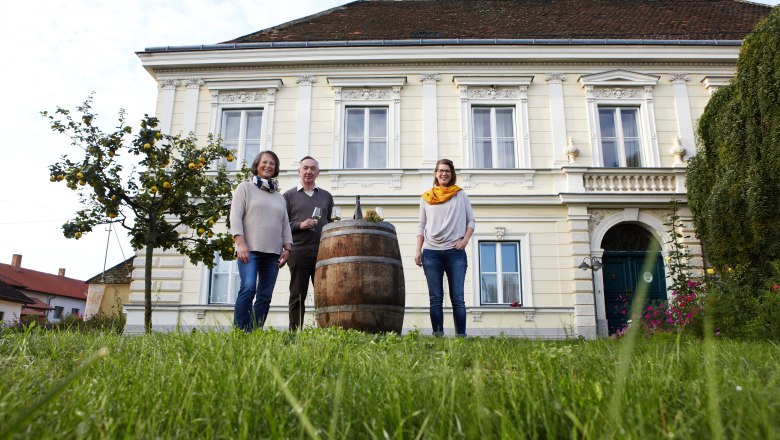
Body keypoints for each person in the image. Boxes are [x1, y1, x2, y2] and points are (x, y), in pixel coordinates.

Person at [230, 150, 293, 332]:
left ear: (276, 168)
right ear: (257, 165)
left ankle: (253, 332)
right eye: (264, 162)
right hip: (249, 250)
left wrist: (287, 248)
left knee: (265, 296)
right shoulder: (245, 188)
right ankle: (240, 331)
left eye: (272, 163)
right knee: (248, 289)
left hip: (272, 253)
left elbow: (285, 224)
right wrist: (240, 243)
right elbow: (235, 217)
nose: (268, 166)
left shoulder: (279, 197)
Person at [415, 159, 475, 337]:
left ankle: (461, 336)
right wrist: (418, 250)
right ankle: (438, 335)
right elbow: (421, 225)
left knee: (458, 298)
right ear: (435, 173)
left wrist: (464, 242)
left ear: (452, 174)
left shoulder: (460, 195)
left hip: (455, 253)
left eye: (447, 171)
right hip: (431, 253)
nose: (444, 174)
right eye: (441, 170)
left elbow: (471, 221)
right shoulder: (426, 197)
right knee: (435, 299)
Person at [283, 156, 334, 330]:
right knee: (297, 295)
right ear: (299, 171)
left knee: (325, 296)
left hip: (323, 253)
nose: (309, 172)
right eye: (305, 168)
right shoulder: (288, 196)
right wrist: (300, 225)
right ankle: (294, 334)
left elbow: (330, 223)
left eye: (313, 169)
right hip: (298, 252)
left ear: (318, 173)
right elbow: (281, 226)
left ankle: (327, 333)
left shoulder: (326, 196)